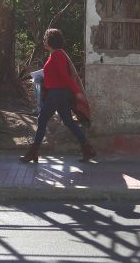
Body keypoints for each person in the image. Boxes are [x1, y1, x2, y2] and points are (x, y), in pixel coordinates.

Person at [19, 28, 97, 163]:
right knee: (68, 121)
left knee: (42, 119)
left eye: (45, 39)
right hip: (59, 92)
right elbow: (58, 73)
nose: (44, 41)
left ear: (51, 41)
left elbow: (65, 76)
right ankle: (88, 149)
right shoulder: (55, 54)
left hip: (57, 93)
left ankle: (33, 152)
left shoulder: (57, 55)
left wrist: (77, 91)